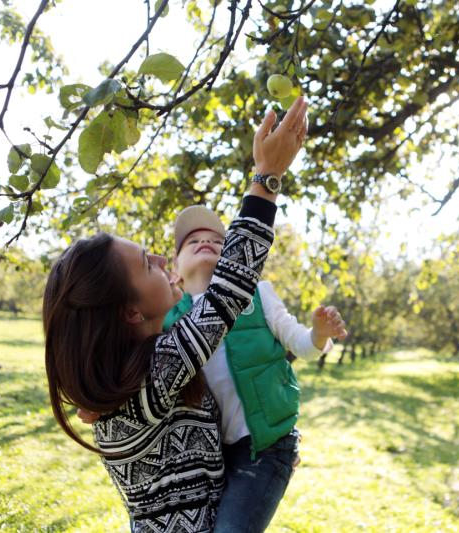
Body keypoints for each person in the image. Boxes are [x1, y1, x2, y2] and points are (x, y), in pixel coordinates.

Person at [43, 97, 308, 532]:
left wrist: (270, 454)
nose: (163, 260)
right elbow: (229, 292)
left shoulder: (130, 379)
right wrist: (266, 178)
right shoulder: (151, 379)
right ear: (130, 311)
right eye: (147, 264)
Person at [80, 206, 348, 532]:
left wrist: (319, 334)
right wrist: (100, 398)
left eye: (218, 241)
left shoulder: (258, 295)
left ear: (233, 262)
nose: (205, 240)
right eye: (192, 240)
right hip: (215, 457)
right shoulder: (168, 318)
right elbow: (135, 362)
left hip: (263, 447)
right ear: (175, 269)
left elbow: (300, 343)